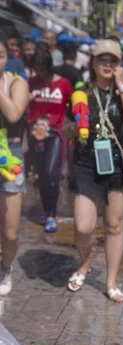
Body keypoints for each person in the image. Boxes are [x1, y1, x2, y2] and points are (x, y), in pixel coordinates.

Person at [67, 40, 123, 303]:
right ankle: (85, 262)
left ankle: (110, 281)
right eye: (102, 59)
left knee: (114, 224)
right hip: (87, 162)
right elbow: (65, 128)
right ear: (93, 63)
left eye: (113, 60)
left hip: (118, 162)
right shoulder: (82, 93)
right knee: (83, 225)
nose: (108, 64)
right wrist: (74, 128)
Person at [27, 46, 73, 233]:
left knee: (50, 172)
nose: (40, 72)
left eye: (42, 68)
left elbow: (71, 108)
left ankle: (52, 215)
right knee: (40, 175)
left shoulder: (63, 84)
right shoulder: (31, 83)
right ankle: (47, 211)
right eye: (36, 68)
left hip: (56, 132)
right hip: (36, 132)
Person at [0, 32, 29, 295]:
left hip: (12, 156)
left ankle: (5, 267)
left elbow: (13, 113)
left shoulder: (17, 83)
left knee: (10, 232)